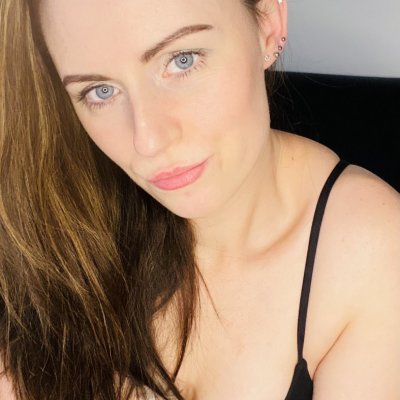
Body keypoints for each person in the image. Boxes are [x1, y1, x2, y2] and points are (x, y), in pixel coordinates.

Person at [1, 0, 399, 399]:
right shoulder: (54, 225)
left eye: (182, 60)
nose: (148, 140)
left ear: (267, 22)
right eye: (100, 91)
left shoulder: (371, 250)